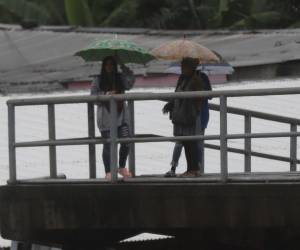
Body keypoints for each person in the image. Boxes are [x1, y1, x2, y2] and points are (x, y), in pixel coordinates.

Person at [91, 56, 135, 181]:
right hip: (106, 118)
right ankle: (109, 171)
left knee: (126, 141)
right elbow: (93, 97)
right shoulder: (98, 80)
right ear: (104, 66)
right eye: (107, 64)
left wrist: (124, 66)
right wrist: (106, 95)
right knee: (109, 145)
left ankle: (121, 167)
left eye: (112, 64)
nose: (109, 67)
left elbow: (130, 83)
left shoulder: (120, 78)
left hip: (121, 116)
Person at [165, 70, 212, 177]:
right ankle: (173, 167)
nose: (183, 67)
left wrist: (199, 88)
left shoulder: (202, 76)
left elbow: (209, 95)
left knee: (197, 142)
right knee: (181, 142)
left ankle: (197, 169)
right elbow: (176, 93)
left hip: (199, 114)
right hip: (183, 114)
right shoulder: (182, 77)